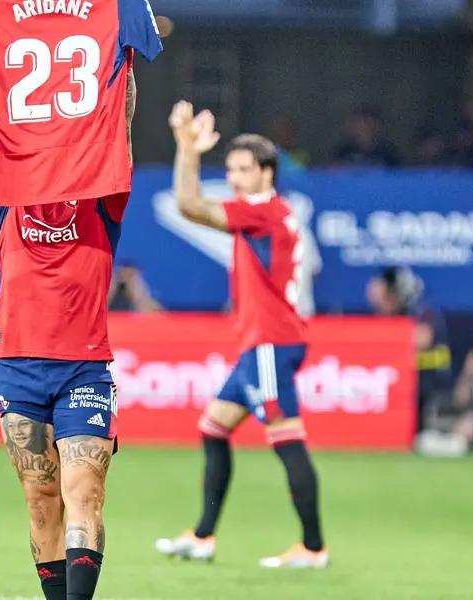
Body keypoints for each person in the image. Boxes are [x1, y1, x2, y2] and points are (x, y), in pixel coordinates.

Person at [0, 2, 161, 598]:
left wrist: (120, 59)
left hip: (84, 366)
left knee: (84, 491)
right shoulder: (8, 194)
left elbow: (122, 123)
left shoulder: (102, 196)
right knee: (41, 502)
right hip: (17, 365)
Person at [155, 102, 327, 568]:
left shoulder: (261, 211)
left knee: (287, 439)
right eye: (229, 169)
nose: (234, 178)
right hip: (264, 342)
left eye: (244, 169)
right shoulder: (274, 210)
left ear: (267, 172)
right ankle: (203, 536)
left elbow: (189, 206)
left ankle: (313, 548)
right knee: (213, 429)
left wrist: (187, 149)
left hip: (271, 342)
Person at [366, 266, 453, 432]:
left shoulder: (423, 312)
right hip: (398, 385)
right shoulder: (390, 317)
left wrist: (389, 335)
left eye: (386, 294)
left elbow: (422, 339)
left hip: (428, 384)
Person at [331, 105, 399, 167]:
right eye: (360, 123)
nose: (365, 128)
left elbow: (399, 171)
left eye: (368, 123)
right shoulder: (344, 150)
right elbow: (333, 170)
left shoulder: (387, 151)